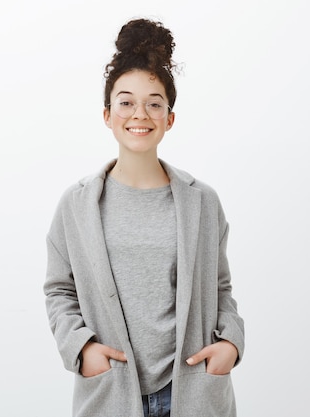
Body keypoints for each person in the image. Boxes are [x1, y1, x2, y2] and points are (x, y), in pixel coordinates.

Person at [43, 18, 244, 417]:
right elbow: (59, 292)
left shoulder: (202, 202)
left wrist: (231, 344)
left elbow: (221, 288)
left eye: (155, 102)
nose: (141, 114)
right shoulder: (76, 205)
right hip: (111, 391)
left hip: (193, 390)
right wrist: (82, 350)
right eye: (126, 101)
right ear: (107, 115)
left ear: (169, 118)